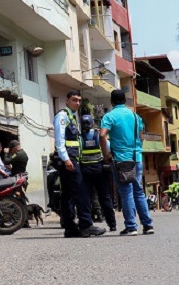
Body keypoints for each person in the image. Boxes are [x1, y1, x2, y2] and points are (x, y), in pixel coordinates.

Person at [100, 89, 153, 236]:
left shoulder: (109, 116)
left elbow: (102, 135)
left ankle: (131, 226)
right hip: (137, 158)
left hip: (121, 160)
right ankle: (148, 225)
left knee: (126, 193)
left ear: (112, 101)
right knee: (139, 192)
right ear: (124, 100)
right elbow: (142, 136)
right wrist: (137, 150)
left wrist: (106, 154)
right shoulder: (136, 116)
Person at [53, 90, 106, 238]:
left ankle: (70, 227)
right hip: (68, 159)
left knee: (68, 194)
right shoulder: (63, 116)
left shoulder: (72, 116)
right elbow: (59, 139)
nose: (77, 103)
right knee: (82, 191)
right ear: (67, 100)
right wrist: (66, 159)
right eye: (74, 100)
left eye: (79, 100)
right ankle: (85, 225)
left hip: (72, 158)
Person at [78, 114, 117, 232]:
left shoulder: (79, 138)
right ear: (92, 123)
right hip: (100, 169)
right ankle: (112, 224)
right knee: (105, 197)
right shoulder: (98, 135)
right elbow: (108, 149)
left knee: (86, 198)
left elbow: (78, 153)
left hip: (85, 170)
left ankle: (87, 223)